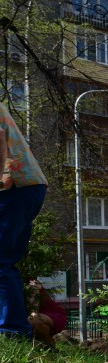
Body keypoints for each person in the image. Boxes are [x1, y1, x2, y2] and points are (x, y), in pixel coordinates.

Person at [1, 103, 48, 339]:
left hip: (13, 186)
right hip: (30, 185)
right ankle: (15, 327)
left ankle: (12, 330)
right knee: (5, 262)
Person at [26, 279, 68, 348]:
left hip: (53, 314)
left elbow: (33, 310)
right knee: (33, 322)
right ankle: (43, 342)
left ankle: (48, 341)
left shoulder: (32, 282)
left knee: (32, 319)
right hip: (42, 317)